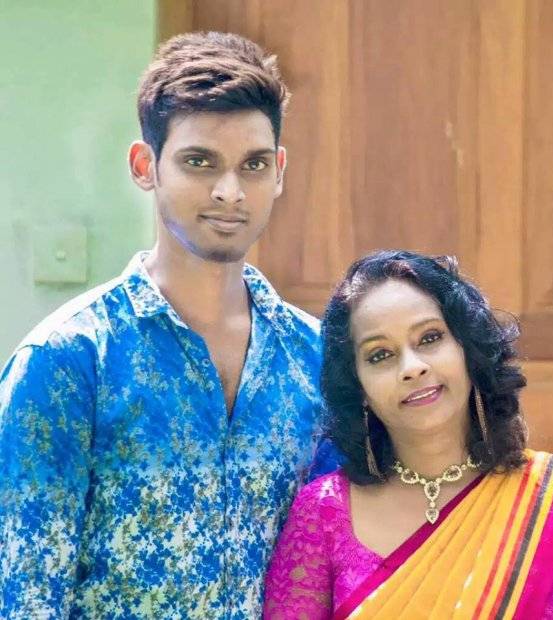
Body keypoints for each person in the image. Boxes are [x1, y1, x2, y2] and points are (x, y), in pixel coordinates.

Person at [0, 32, 327, 619]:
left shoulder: (315, 358)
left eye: (253, 165)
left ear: (279, 170)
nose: (230, 192)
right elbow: (24, 594)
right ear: (145, 166)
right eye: (199, 162)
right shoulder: (69, 359)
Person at [264, 250, 553, 619]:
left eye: (430, 338)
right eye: (380, 355)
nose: (412, 367)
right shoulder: (323, 513)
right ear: (358, 387)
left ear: (469, 350)